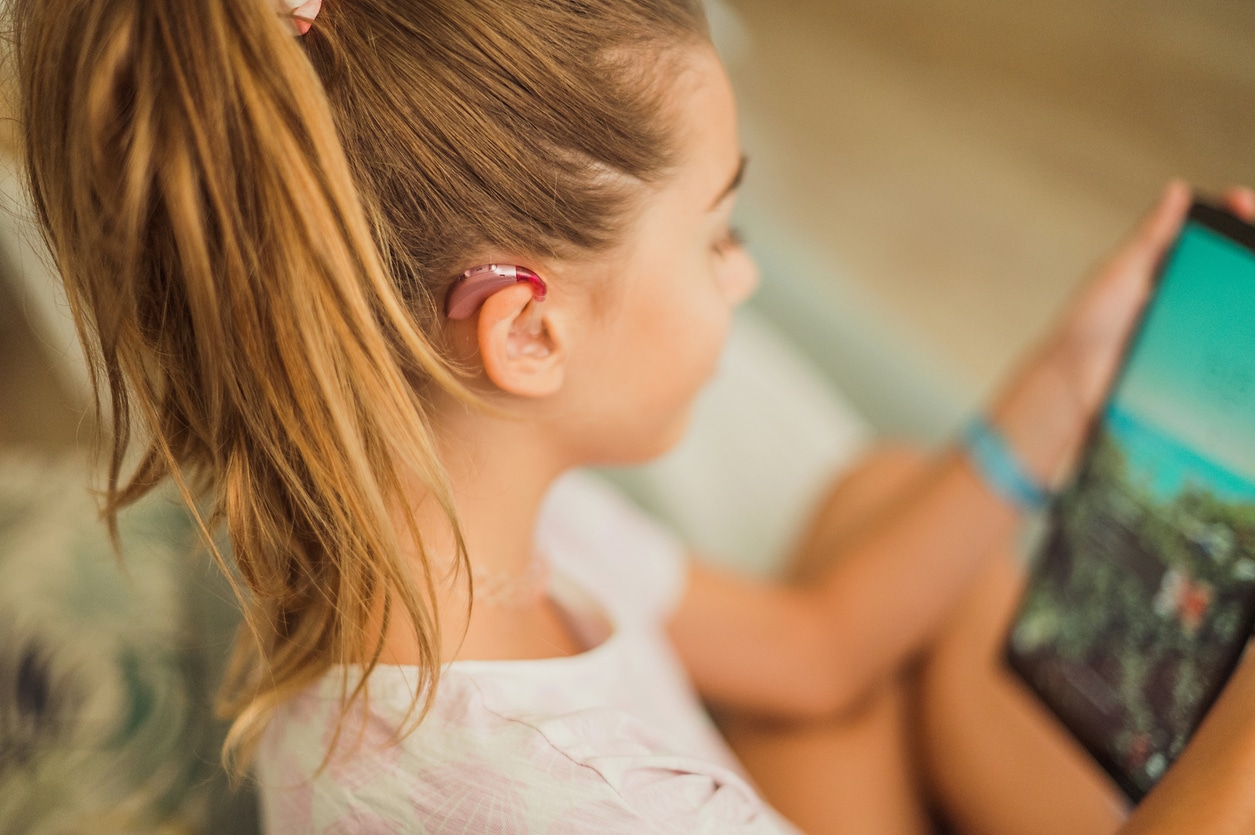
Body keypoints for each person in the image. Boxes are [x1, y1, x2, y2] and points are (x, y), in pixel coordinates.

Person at [11, 0, 1255, 831]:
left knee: (878, 498)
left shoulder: (437, 543)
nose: (743, 275)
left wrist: (1072, 369)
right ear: (528, 330)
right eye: (718, 235)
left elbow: (817, 647)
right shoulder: (590, 801)